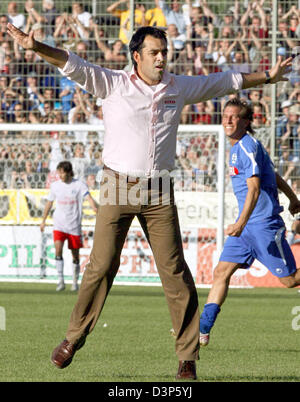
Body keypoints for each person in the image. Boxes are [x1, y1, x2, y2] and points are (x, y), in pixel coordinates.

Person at [7, 21, 292, 380]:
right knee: (100, 266)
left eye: (164, 53)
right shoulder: (112, 83)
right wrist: (37, 48)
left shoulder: (179, 86)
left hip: (159, 191)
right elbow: (72, 62)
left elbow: (227, 81)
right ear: (136, 56)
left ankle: (187, 357)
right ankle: (73, 337)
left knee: (175, 272)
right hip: (117, 186)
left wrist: (268, 76)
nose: (161, 59)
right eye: (154, 53)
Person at [199, 98, 300, 348]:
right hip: (246, 226)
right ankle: (202, 330)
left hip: (263, 225)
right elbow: (272, 174)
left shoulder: (246, 146)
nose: (227, 120)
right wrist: (293, 198)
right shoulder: (240, 147)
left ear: (245, 122)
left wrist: (240, 223)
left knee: (290, 281)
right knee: (221, 272)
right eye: (225, 116)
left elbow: (254, 189)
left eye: (233, 117)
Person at [40, 161, 98, 292]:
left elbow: (88, 197)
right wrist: (43, 220)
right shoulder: (55, 186)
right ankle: (60, 281)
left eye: (62, 172)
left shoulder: (79, 185)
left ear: (69, 172)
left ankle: (74, 282)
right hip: (59, 224)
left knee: (75, 256)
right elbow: (49, 203)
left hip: (74, 225)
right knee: (58, 251)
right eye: (59, 172)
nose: (60, 175)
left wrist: (94, 207)